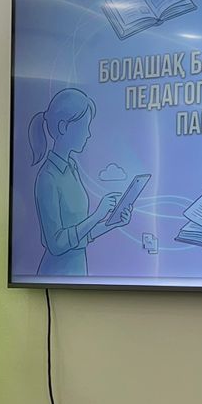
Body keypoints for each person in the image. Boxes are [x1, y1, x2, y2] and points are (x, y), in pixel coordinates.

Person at [29, 87, 130, 275]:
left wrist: (112, 223)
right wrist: (97, 215)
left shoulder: (72, 169)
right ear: (64, 127)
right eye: (84, 126)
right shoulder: (47, 177)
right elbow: (57, 244)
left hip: (78, 271)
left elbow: (83, 236)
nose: (88, 134)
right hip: (57, 273)